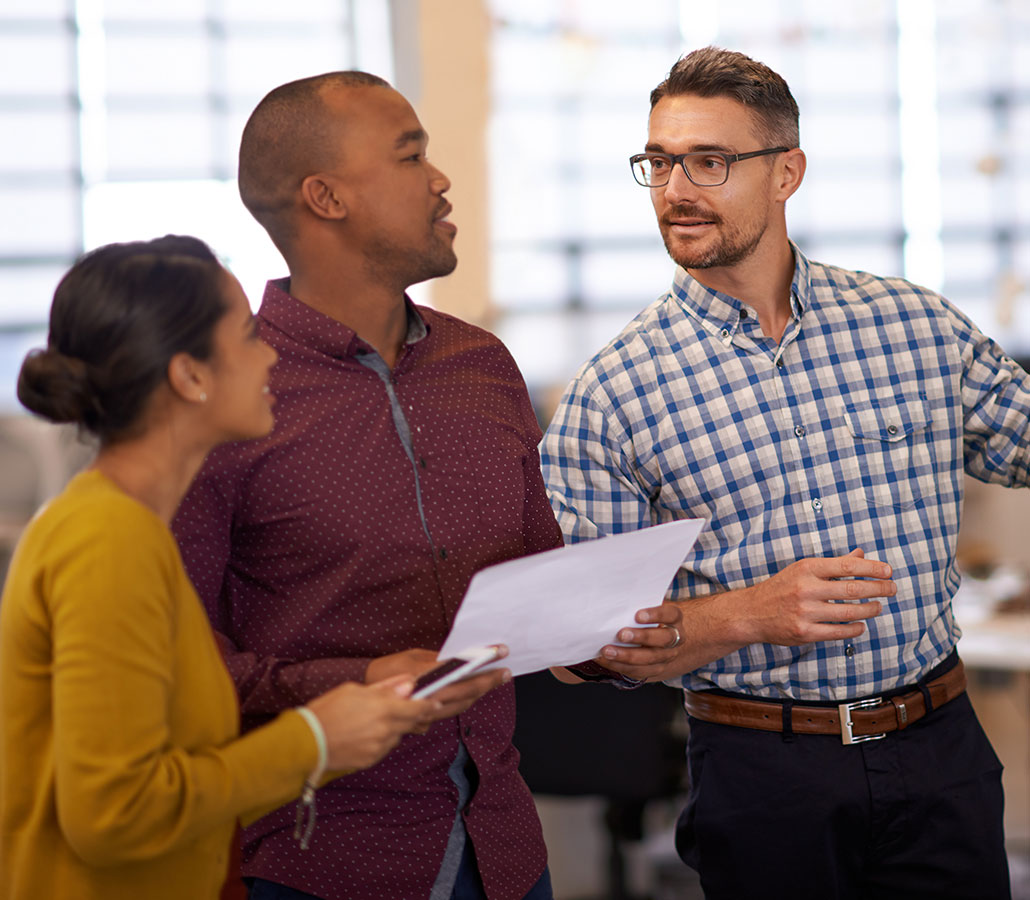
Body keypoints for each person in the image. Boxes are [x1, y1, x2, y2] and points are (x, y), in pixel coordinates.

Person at [541, 46, 1018, 900]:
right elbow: (579, 653)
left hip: (940, 750)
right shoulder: (611, 395)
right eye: (658, 162)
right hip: (764, 774)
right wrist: (746, 614)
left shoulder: (912, 323)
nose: (675, 189)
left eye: (709, 162)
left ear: (786, 172)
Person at [171, 72, 567, 900]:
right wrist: (351, 684)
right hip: (318, 860)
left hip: (503, 850)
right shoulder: (228, 394)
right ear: (326, 197)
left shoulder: (483, 366)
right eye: (411, 154)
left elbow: (541, 574)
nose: (440, 177)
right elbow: (184, 666)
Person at [0, 236, 436, 900]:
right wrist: (314, 740)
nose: (270, 357)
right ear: (190, 376)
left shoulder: (132, 528)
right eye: (249, 337)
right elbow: (114, 814)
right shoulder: (106, 539)